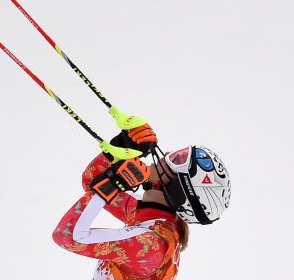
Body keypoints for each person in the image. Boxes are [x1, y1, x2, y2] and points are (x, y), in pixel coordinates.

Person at [52, 107, 232, 280]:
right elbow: (91, 179)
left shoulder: (151, 245)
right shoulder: (151, 214)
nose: (166, 154)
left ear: (175, 190)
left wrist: (111, 185)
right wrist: (122, 147)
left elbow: (66, 236)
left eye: (175, 159)